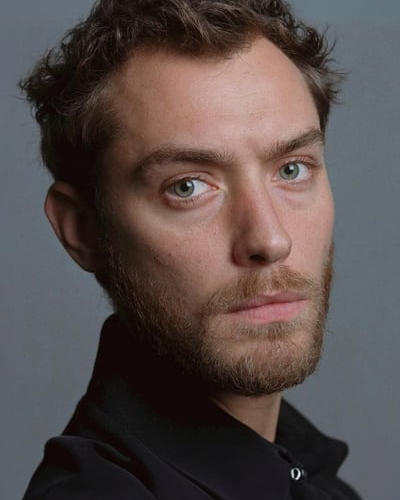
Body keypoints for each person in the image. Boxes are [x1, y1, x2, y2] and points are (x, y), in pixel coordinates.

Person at [20, 0, 362, 498]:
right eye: (188, 187)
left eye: (291, 169)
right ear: (83, 230)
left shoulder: (310, 478)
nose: (270, 240)